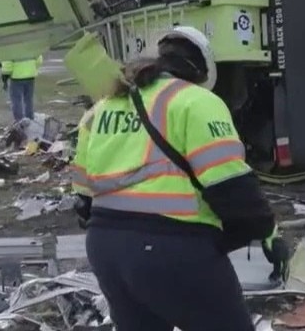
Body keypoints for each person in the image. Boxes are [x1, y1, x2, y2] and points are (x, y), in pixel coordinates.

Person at [71, 26, 291, 331]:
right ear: (203, 71)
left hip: (105, 248)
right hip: (172, 248)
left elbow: (81, 201)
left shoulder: (102, 108)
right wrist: (267, 236)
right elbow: (233, 190)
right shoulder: (196, 102)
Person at [5, 55, 42, 122]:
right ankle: (30, 118)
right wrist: (33, 68)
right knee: (29, 99)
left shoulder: (12, 47)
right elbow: (39, 59)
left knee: (16, 100)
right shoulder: (31, 46)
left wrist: (6, 74)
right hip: (30, 76)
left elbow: (7, 63)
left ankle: (19, 120)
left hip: (16, 77)